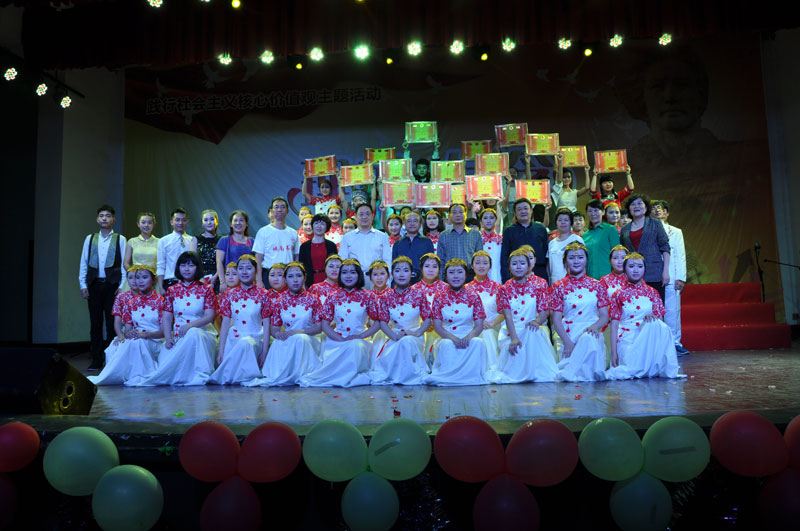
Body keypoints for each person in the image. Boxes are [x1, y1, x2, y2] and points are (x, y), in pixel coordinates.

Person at [129, 252, 217, 386]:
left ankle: (200, 374)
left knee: (194, 333)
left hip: (203, 334)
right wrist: (168, 337)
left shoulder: (206, 289)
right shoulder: (172, 290)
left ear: (198, 267)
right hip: (178, 336)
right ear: (178, 267)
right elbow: (166, 317)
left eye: (191, 265)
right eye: (183, 265)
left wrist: (190, 326)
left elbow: (209, 316)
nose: (186, 269)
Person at [299, 259, 379, 387]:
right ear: (340, 275)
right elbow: (325, 324)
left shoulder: (368, 296)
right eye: (344, 272)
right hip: (336, 339)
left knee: (356, 346)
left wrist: (361, 336)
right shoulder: (333, 296)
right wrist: (339, 338)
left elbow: (378, 323)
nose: (348, 276)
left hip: (361, 339)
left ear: (359, 274)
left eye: (352, 272)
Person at [606, 253, 684, 379]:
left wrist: (652, 318)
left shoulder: (653, 292)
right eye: (631, 266)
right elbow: (614, 325)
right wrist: (613, 353)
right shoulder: (618, 294)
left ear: (645, 269)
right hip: (626, 337)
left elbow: (660, 325)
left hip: (648, 338)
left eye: (640, 266)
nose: (636, 270)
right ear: (625, 269)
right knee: (631, 362)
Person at [487, 250, 558, 383]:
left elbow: (543, 313)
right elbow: (507, 316)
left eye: (522, 263)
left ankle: (533, 371)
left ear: (528, 265)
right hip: (511, 330)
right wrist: (514, 338)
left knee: (533, 332)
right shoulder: (504, 288)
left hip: (530, 327)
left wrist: (537, 322)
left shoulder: (539, 285)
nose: (518, 267)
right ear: (509, 267)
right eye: (514, 263)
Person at [249, 262, 323, 386]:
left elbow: (318, 328)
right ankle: (282, 374)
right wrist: (278, 334)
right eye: (290, 276)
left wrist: (297, 332)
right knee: (278, 343)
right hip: (289, 337)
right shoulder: (279, 302)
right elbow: (275, 329)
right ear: (285, 279)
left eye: (298, 276)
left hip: (309, 339)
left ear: (305, 278)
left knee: (301, 339)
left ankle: (301, 374)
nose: (295, 280)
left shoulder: (313, 299)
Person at [88, 266, 163, 385]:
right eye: (137, 278)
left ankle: (141, 375)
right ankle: (125, 375)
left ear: (153, 280)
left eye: (144, 277)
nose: (140, 281)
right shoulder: (131, 303)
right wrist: (129, 334)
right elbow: (127, 331)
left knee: (137, 343)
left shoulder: (161, 301)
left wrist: (146, 335)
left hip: (155, 341)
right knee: (125, 344)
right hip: (138, 339)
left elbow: (164, 332)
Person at [207, 254, 271, 385]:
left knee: (246, 343)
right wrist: (222, 350)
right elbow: (225, 324)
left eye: (249, 268)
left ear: (256, 271)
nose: (244, 272)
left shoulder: (264, 294)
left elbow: (266, 324)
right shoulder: (229, 294)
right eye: (241, 268)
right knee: (241, 343)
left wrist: (265, 352)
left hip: (255, 339)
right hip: (234, 339)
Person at [424, 258, 489, 386]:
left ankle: (471, 377)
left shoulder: (474, 296)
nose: (455, 276)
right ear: (445, 276)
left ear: (466, 275)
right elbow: (438, 326)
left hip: (468, 335)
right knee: (447, 345)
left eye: (459, 272)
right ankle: (448, 377)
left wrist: (468, 338)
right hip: (447, 335)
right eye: (451, 272)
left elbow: (479, 325)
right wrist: (454, 339)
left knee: (478, 343)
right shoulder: (439, 297)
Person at [368, 257, 432, 385]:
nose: (401, 274)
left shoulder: (419, 295)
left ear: (411, 274)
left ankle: (408, 376)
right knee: (401, 343)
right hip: (394, 335)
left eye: (405, 270)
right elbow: (383, 322)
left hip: (414, 336)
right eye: (397, 271)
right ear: (392, 274)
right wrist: (394, 336)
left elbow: (428, 319)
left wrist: (417, 332)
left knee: (407, 341)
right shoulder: (386, 297)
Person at [551, 242, 609, 382]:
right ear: (565, 261)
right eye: (571, 258)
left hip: (591, 331)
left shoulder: (597, 285)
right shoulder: (558, 286)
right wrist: (567, 342)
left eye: (580, 257)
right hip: (568, 333)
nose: (576, 261)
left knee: (589, 340)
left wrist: (595, 326)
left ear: (586, 260)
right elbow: (556, 319)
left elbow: (604, 316)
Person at [79, 205, 127, 371]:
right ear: (97, 219)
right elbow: (84, 262)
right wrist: (83, 284)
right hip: (94, 284)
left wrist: (122, 286)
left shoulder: (120, 239)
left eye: (107, 216)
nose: (104, 218)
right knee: (95, 323)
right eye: (101, 215)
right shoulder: (90, 238)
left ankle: (112, 359)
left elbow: (124, 265)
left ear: (113, 219)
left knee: (112, 323)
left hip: (112, 286)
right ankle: (96, 359)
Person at [651, 200, 689, 355]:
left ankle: (675, 343)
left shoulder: (675, 231)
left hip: (672, 275)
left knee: (672, 311)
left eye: (659, 208)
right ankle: (656, 344)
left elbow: (680, 255)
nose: (656, 210)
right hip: (652, 275)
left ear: (666, 213)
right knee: (653, 311)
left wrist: (681, 277)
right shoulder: (647, 230)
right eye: (653, 208)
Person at [620, 194, 671, 301]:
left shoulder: (655, 223)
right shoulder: (625, 229)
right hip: (633, 275)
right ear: (629, 208)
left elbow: (665, 246)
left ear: (646, 207)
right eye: (633, 204)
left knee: (656, 307)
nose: (636, 206)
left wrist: (666, 271)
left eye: (639, 203)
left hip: (654, 273)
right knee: (635, 306)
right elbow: (624, 252)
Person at [338, 203, 392, 288]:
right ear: (356, 216)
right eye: (361, 214)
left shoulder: (382, 236)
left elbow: (387, 260)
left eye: (367, 214)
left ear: (372, 216)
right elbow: (343, 261)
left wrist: (387, 281)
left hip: (377, 280)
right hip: (354, 280)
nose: (364, 217)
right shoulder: (347, 237)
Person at [465, 251, 504, 362]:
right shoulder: (465, 289)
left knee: (486, 333)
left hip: (491, 327)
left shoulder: (498, 288)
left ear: (490, 266)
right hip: (471, 327)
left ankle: (492, 366)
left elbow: (504, 313)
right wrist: (476, 325)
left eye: (485, 263)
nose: (481, 266)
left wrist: (491, 323)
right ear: (472, 266)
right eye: (477, 263)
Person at [253, 197, 300, 288]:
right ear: (272, 211)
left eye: (282, 207)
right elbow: (258, 258)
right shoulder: (263, 232)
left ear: (287, 211)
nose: (279, 209)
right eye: (276, 207)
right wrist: (258, 280)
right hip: (268, 275)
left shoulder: (293, 233)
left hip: (288, 275)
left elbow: (296, 257)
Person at [500, 198, 549, 283]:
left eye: (525, 208)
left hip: (539, 272)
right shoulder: (509, 231)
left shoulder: (541, 229)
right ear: (515, 213)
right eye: (519, 209)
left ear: (531, 211)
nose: (523, 211)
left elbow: (546, 255)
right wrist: (506, 278)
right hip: (516, 274)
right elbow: (504, 257)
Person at [437, 203, 483, 281]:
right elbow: (441, 261)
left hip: (470, 275)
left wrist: (479, 280)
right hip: (450, 275)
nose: (458, 215)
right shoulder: (443, 235)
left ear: (466, 214)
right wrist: (441, 281)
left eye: (461, 212)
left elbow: (479, 259)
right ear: (449, 215)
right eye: (454, 212)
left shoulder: (475, 234)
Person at [157, 208, 197, 293]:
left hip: (189, 282)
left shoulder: (192, 240)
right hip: (170, 281)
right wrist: (160, 287)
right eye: (177, 220)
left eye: (184, 220)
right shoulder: (164, 241)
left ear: (187, 222)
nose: (180, 223)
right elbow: (160, 264)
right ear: (171, 222)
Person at [215, 210, 254, 293]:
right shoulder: (224, 240)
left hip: (248, 282)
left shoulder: (252, 241)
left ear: (246, 224)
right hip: (230, 282)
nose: (238, 223)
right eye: (235, 220)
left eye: (241, 220)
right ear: (231, 224)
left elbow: (256, 264)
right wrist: (222, 282)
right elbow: (219, 262)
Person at [391, 211, 434, 285]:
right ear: (404, 223)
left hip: (422, 283)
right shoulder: (397, 244)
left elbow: (431, 264)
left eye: (415, 221)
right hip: (401, 282)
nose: (412, 223)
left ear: (420, 223)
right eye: (409, 221)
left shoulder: (427, 242)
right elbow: (394, 266)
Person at [583, 199, 621, 280]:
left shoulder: (610, 229)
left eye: (596, 210)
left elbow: (617, 255)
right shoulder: (585, 235)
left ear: (603, 212)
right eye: (590, 211)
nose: (593, 214)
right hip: (589, 278)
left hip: (607, 278)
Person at [298, 213, 338, 288]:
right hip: (309, 282)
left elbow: (335, 266)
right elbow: (301, 268)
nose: (319, 226)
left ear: (327, 227)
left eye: (322, 224)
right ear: (312, 226)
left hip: (328, 281)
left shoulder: (331, 246)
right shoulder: (304, 246)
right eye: (316, 223)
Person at [547, 207, 585, 284]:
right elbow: (548, 266)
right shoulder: (552, 243)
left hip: (573, 283)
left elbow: (583, 264)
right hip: (554, 283)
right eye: (560, 220)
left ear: (571, 223)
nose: (563, 222)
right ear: (556, 223)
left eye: (566, 220)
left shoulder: (577, 240)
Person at [110, 268, 140, 348]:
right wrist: (120, 336)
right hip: (126, 333)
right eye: (130, 278)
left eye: (136, 277)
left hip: (145, 332)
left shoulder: (148, 297)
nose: (134, 281)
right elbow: (117, 322)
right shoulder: (120, 297)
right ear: (127, 280)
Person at [196, 209, 220, 287]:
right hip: (199, 278)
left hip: (217, 277)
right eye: (206, 220)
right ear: (202, 223)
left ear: (217, 222)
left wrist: (216, 276)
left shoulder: (221, 240)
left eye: (212, 219)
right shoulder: (195, 239)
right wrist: (201, 278)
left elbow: (223, 262)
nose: (209, 222)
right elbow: (193, 262)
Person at [478, 208, 503, 283]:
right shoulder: (477, 240)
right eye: (485, 218)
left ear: (496, 220)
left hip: (498, 276)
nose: (488, 220)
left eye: (491, 218)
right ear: (481, 222)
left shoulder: (501, 240)